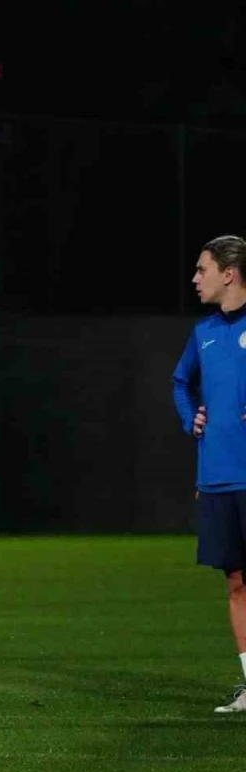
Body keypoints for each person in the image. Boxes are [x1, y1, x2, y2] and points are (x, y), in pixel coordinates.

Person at [172, 233, 246, 714]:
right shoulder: (204, 332)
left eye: (203, 269)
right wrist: (191, 418)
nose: (196, 278)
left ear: (229, 273)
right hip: (217, 477)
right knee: (236, 582)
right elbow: (181, 383)